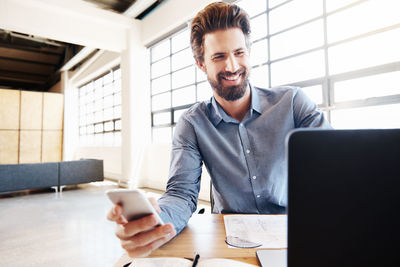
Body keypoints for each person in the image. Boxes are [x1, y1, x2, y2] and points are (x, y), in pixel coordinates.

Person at [107, 1, 331, 258]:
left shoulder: (293, 103)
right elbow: (181, 194)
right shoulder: (192, 124)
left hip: (292, 232)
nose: (233, 66)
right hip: (229, 242)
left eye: (239, 52)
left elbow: (332, 162)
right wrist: (158, 218)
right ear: (201, 63)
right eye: (219, 56)